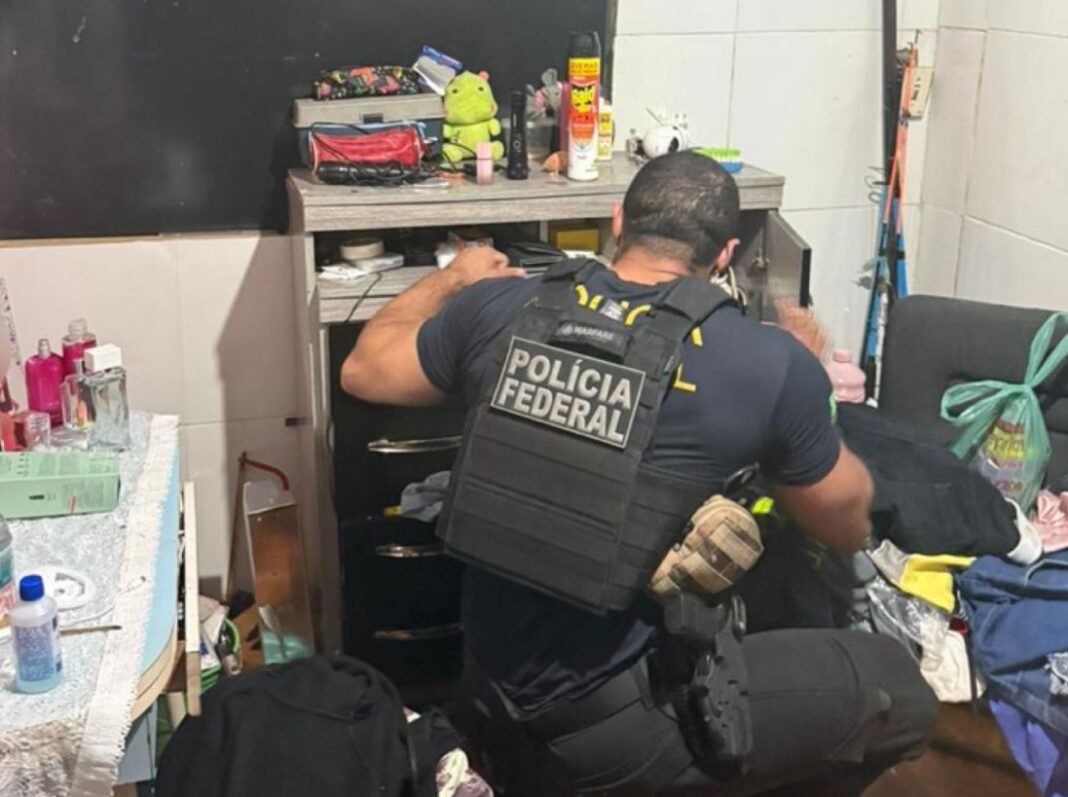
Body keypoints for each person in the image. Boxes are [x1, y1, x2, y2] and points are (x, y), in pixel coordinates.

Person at [341, 152, 937, 796]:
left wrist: (454, 277)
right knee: (900, 691)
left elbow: (363, 368)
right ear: (726, 254)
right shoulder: (765, 361)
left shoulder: (500, 306)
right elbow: (846, 524)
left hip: (487, 698)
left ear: (617, 221)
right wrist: (804, 389)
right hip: (611, 735)